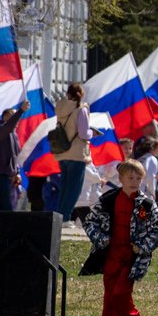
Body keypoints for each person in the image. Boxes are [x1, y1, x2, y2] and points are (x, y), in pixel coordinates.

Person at [82, 160, 158, 316]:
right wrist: (101, 239)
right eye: (130, 178)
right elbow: (90, 222)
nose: (134, 182)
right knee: (109, 298)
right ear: (120, 179)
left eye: (138, 178)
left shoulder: (146, 204)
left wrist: (143, 246)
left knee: (120, 294)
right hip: (111, 255)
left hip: (132, 258)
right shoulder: (108, 200)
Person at [52, 82, 89, 218]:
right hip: (76, 153)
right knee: (73, 190)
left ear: (68, 94)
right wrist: (92, 133)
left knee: (64, 188)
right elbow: (84, 134)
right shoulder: (81, 109)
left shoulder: (61, 108)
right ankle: (65, 217)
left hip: (63, 152)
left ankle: (59, 217)